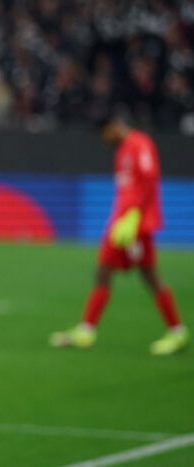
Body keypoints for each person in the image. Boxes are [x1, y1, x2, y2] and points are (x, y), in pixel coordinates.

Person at [50, 114, 188, 355]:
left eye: (104, 134)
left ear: (114, 127)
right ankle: (87, 330)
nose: (104, 140)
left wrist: (134, 216)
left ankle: (177, 331)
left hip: (135, 226)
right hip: (121, 224)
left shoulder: (140, 144)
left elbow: (149, 179)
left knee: (148, 275)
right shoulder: (122, 151)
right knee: (105, 270)